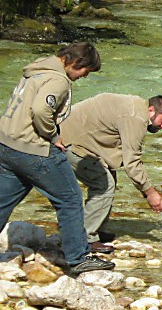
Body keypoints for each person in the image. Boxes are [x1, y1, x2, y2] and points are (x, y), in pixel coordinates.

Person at [0, 43, 115, 275]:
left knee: (3, 201)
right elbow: (41, 110)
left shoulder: (36, 70)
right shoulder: (58, 80)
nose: (85, 76)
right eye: (86, 70)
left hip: (6, 144)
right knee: (70, 199)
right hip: (33, 149)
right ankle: (79, 257)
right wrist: (53, 136)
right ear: (74, 62)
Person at [59, 93, 162, 252]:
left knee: (108, 176)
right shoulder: (136, 118)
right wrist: (150, 192)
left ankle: (97, 228)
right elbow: (132, 162)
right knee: (104, 184)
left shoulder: (135, 106)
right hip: (69, 143)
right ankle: (85, 238)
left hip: (74, 136)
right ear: (151, 110)